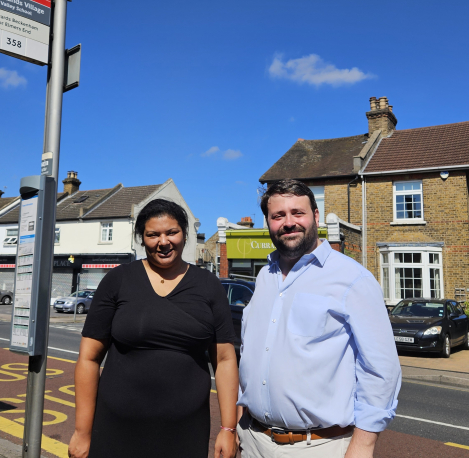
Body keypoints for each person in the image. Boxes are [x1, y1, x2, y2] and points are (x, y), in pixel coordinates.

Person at [237, 179, 401, 457]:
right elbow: (252, 356)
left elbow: (381, 370)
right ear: (267, 221)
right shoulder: (265, 276)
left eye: (297, 213)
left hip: (318, 446)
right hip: (253, 440)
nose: (288, 222)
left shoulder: (353, 279)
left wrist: (363, 445)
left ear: (315, 215)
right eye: (278, 216)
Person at [68, 199, 239, 458]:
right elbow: (89, 359)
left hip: (185, 432)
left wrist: (228, 428)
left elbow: (225, 360)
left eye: (172, 232)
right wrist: (82, 431)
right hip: (116, 428)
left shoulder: (208, 285)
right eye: (153, 234)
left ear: (185, 234)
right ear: (142, 238)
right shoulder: (118, 280)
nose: (163, 241)